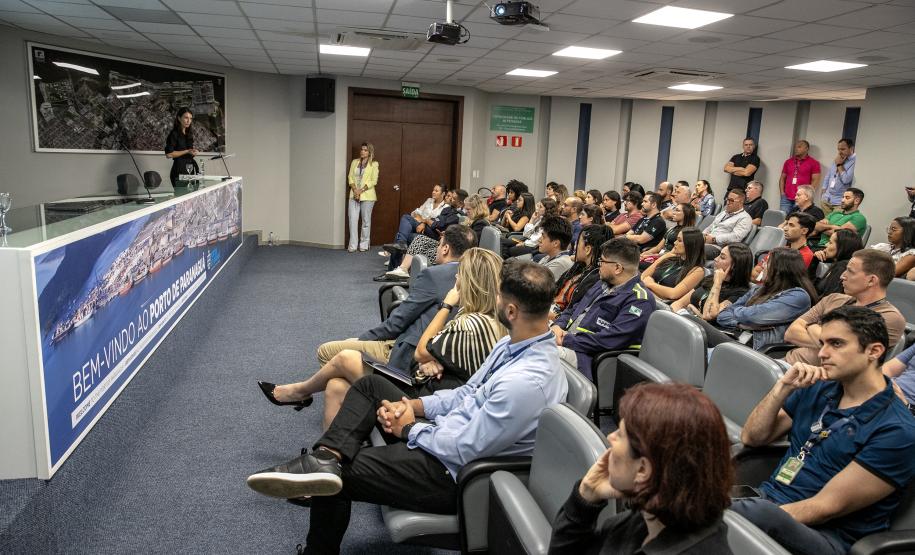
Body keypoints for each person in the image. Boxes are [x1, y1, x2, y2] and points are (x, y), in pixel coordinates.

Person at [246, 262, 568, 554]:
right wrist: (413, 405)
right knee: (369, 386)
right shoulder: (509, 345)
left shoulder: (526, 382)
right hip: (445, 437)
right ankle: (327, 456)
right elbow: (465, 393)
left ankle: (322, 489)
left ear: (511, 311)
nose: (493, 301)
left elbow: (464, 449)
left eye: (498, 297)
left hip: (451, 473)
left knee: (338, 479)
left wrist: (410, 428)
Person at [732, 306, 915, 555]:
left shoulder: (897, 429)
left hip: (827, 537)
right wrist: (782, 388)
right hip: (766, 501)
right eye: (822, 343)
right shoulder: (819, 388)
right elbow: (752, 436)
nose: (822, 353)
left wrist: (741, 515)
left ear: (874, 351)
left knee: (702, 515)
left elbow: (826, 507)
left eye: (836, 344)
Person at [282, 225, 472, 409]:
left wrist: (362, 339)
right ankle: (349, 405)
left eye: (439, 245)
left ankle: (366, 402)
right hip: (434, 358)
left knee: (326, 352)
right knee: (335, 385)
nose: (438, 249)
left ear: (446, 248)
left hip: (407, 354)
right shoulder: (478, 279)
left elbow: (397, 323)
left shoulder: (434, 275)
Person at [549, 383, 733, 555]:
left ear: (643, 470)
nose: (610, 437)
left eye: (620, 435)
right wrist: (586, 494)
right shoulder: (643, 521)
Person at [552, 237, 656, 379]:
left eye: (602, 261)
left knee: (536, 350)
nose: (598, 265)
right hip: (568, 341)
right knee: (526, 329)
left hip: (588, 357)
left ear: (618, 268)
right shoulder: (602, 284)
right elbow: (573, 309)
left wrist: (566, 340)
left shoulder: (640, 300)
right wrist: (557, 326)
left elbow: (610, 340)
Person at [785, 249, 905, 365]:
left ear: (871, 280)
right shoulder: (834, 298)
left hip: (817, 380)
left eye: (850, 271)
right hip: (785, 363)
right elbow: (791, 333)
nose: (842, 276)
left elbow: (846, 354)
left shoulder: (888, 317)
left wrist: (811, 326)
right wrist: (830, 341)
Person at [700, 248, 817, 351]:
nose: (763, 266)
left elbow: (753, 316)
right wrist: (741, 324)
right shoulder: (758, 289)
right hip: (738, 337)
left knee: (697, 328)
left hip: (757, 348)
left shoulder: (798, 296)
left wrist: (741, 315)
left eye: (767, 262)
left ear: (780, 269)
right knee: (693, 326)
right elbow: (722, 316)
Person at [379, 190, 469, 281]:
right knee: (403, 234)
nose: (449, 198)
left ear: (460, 203)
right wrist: (425, 222)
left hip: (436, 236)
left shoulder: (458, 215)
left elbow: (437, 225)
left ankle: (398, 263)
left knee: (406, 219)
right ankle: (393, 270)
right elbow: (434, 220)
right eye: (450, 196)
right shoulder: (447, 209)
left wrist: (425, 221)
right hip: (430, 230)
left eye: (453, 198)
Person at [671, 242, 753, 321]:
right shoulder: (710, 278)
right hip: (685, 322)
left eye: (722, 257)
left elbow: (708, 315)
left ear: (734, 266)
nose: (715, 259)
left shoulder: (741, 293)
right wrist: (686, 314)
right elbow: (678, 304)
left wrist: (717, 283)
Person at [551, 225, 612, 318]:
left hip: (558, 321)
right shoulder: (578, 267)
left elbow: (575, 315)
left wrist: (550, 316)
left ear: (587, 249)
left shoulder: (596, 279)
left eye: (578, 243)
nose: (574, 247)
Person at [640, 227, 706, 302]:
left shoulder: (697, 271)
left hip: (660, 304)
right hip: (645, 294)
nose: (675, 242)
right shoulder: (671, 259)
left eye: (679, 240)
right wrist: (666, 255)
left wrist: (651, 284)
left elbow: (673, 294)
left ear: (690, 245)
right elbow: (643, 276)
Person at [752, 212, 816, 283]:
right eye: (787, 224)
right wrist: (766, 276)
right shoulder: (779, 250)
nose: (785, 228)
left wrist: (763, 275)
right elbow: (753, 274)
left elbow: (783, 283)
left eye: (791, 225)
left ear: (804, 231)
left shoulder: (806, 255)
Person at [640, 202, 697, 267]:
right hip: (660, 257)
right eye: (674, 209)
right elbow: (658, 247)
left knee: (638, 264)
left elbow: (674, 253)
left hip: (670, 261)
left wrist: (651, 255)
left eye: (677, 210)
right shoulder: (672, 229)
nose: (674, 212)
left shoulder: (687, 233)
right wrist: (645, 253)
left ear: (686, 214)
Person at [346, 142, 379, 252]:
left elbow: (374, 181)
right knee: (353, 220)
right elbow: (350, 177)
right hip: (354, 195)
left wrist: (361, 190)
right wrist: (355, 190)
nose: (362, 151)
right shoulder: (354, 162)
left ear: (369, 152)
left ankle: (364, 245)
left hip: (368, 196)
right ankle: (353, 245)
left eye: (365, 150)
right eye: (362, 149)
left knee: (366, 221)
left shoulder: (374, 164)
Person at [814, 229, 864, 297]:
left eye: (830, 242)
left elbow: (828, 298)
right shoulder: (839, 263)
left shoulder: (842, 267)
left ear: (842, 247)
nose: (826, 245)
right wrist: (815, 260)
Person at [703, 188, 753, 255]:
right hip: (706, 242)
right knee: (687, 243)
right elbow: (711, 227)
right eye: (727, 199)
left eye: (731, 200)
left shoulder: (745, 218)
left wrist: (714, 239)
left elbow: (736, 237)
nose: (728, 202)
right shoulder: (723, 213)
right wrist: (702, 236)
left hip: (719, 248)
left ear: (741, 202)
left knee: (694, 249)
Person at [779, 139, 821, 214]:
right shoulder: (788, 162)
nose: (796, 149)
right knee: (783, 218)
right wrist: (782, 193)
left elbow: (815, 180)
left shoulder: (814, 163)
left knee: (797, 220)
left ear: (806, 149)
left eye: (799, 147)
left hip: (802, 198)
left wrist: (807, 195)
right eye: (796, 147)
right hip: (786, 198)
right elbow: (782, 178)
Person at [164, 107, 199, 188]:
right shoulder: (174, 134)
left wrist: (192, 152)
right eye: (186, 118)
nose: (188, 121)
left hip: (190, 169)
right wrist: (187, 151)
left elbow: (189, 152)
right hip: (179, 170)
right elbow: (169, 154)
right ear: (179, 118)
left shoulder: (189, 134)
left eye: (190, 118)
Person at [820, 138, 857, 215]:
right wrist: (823, 193)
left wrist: (839, 165)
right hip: (826, 199)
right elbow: (828, 175)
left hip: (839, 202)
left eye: (843, 149)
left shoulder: (855, 161)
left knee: (835, 224)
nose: (840, 152)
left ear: (851, 148)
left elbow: (846, 179)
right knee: (825, 223)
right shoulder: (838, 158)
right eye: (838, 149)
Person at [535, 216, 574, 281]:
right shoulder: (549, 257)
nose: (539, 240)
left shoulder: (560, 264)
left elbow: (534, 285)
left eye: (543, 237)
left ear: (555, 243)